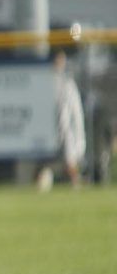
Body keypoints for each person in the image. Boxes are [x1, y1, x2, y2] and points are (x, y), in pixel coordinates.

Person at [53, 49, 87, 189]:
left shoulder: (69, 80)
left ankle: (75, 178)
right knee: (69, 151)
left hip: (73, 124)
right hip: (63, 126)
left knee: (75, 149)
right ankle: (75, 180)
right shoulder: (55, 80)